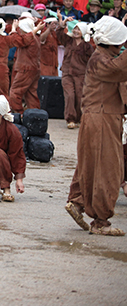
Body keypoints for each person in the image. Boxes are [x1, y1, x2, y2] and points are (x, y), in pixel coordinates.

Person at [66, 15, 127, 236]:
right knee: (107, 168)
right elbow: (120, 69)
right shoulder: (102, 60)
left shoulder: (103, 58)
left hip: (102, 118)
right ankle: (101, 222)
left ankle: (77, 201)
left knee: (90, 163)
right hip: (102, 118)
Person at [55, 15, 93, 129]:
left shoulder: (87, 46)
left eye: (79, 29)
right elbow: (59, 33)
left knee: (80, 96)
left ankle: (80, 118)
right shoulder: (68, 40)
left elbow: (91, 61)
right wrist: (64, 22)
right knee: (70, 95)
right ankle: (70, 119)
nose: (76, 31)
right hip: (67, 73)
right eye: (75, 29)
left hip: (81, 74)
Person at [8, 13, 46, 113]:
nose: (18, 30)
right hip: (33, 69)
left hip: (25, 69)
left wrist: (13, 29)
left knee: (15, 93)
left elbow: (16, 41)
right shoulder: (35, 37)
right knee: (31, 94)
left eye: (20, 28)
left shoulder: (29, 38)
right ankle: (35, 115)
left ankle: (18, 113)